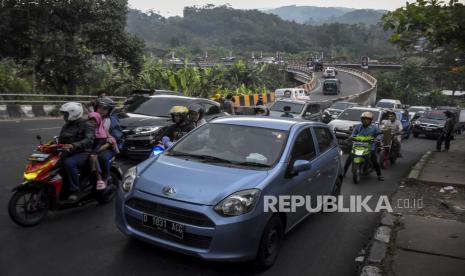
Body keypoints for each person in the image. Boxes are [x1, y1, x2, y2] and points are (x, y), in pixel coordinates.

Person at [58, 102, 95, 201]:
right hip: (69, 152)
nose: (64, 116)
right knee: (54, 164)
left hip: (83, 153)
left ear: (73, 113)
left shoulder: (87, 124)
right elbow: (61, 139)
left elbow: (88, 140)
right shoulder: (66, 126)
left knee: (69, 163)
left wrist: (73, 145)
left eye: (66, 114)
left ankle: (75, 190)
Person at [343, 112, 384, 181]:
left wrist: (378, 139)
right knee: (350, 158)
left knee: (374, 160)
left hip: (370, 146)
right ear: (362, 120)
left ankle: (379, 175)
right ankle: (343, 173)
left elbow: (380, 134)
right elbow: (353, 134)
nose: (366, 120)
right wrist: (351, 137)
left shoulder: (374, 128)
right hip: (357, 145)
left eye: (368, 119)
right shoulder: (358, 126)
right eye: (364, 119)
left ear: (371, 120)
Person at [95, 97, 123, 188]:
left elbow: (116, 137)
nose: (101, 110)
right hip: (96, 144)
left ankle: (105, 178)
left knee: (102, 157)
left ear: (109, 110)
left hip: (111, 146)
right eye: (99, 107)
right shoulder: (93, 118)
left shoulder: (112, 120)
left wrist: (106, 145)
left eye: (105, 108)